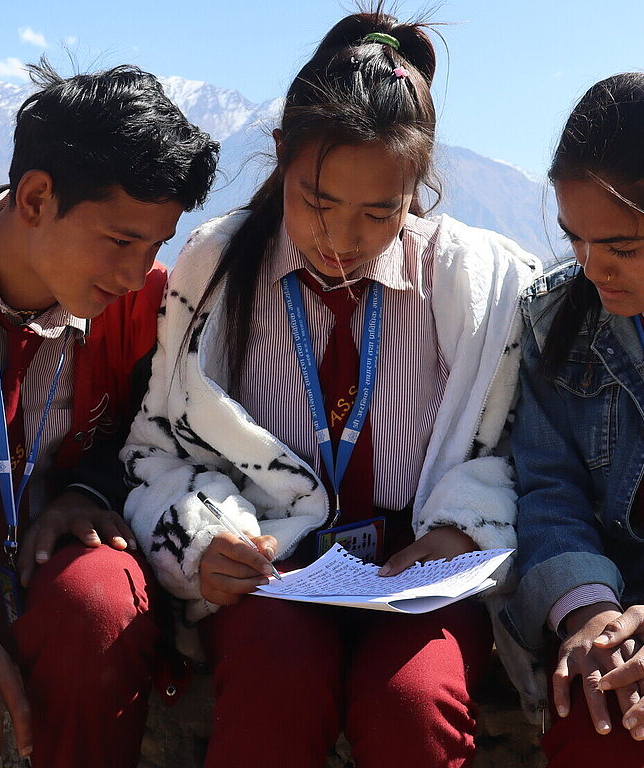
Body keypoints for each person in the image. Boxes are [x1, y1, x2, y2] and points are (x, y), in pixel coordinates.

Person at [120, 6, 540, 767]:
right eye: (317, 201)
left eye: (379, 212)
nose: (341, 239)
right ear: (281, 155)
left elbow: (518, 448)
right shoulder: (213, 275)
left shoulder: (481, 290)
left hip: (420, 582)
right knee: (273, 691)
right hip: (276, 578)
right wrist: (206, 543)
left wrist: (463, 533)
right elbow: (156, 450)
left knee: (413, 707)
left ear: (416, 186)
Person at [0, 60, 218, 768]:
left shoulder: (147, 306)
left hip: (46, 554)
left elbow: (155, 435)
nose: (136, 273)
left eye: (156, 246)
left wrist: (88, 491)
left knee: (99, 607)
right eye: (122, 241)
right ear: (35, 199)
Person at [502, 73, 644, 766]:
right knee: (601, 725)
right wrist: (588, 612)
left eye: (621, 249)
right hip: (618, 625)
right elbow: (548, 489)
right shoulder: (553, 319)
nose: (592, 271)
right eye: (574, 240)